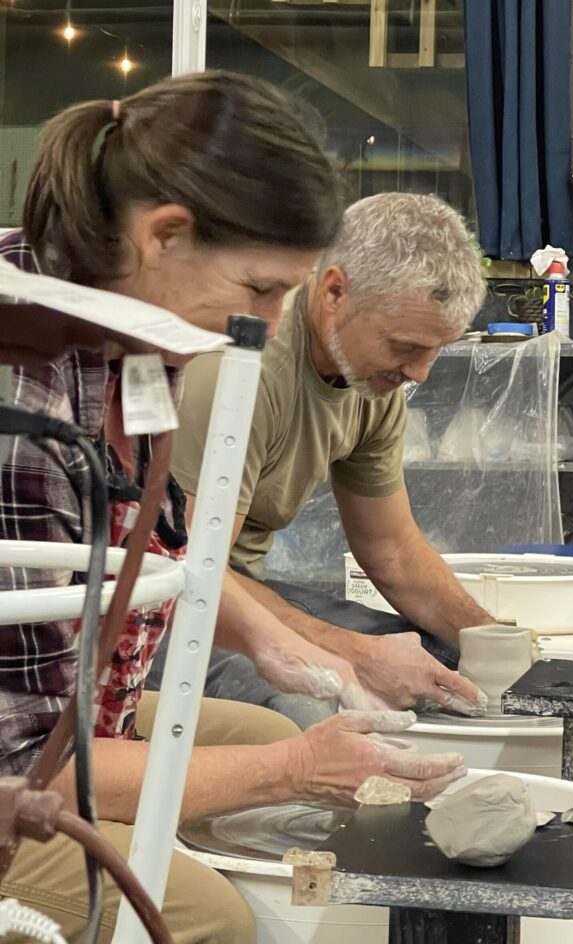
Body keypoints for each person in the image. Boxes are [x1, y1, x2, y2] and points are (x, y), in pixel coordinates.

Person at [0, 73, 465, 944]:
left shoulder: (138, 329)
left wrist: (278, 643)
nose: (272, 320)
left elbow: (160, 540)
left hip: (52, 714)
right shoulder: (24, 404)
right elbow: (31, 770)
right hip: (18, 766)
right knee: (213, 916)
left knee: (253, 718)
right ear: (165, 234)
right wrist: (290, 770)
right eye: (260, 288)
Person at [153, 193, 496, 729]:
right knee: (310, 706)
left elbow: (393, 549)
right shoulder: (241, 369)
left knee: (439, 662)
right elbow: (190, 573)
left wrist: (495, 639)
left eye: (435, 351)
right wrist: (350, 658)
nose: (421, 373)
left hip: (231, 581)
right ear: (335, 291)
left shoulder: (373, 378)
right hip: (153, 604)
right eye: (406, 346)